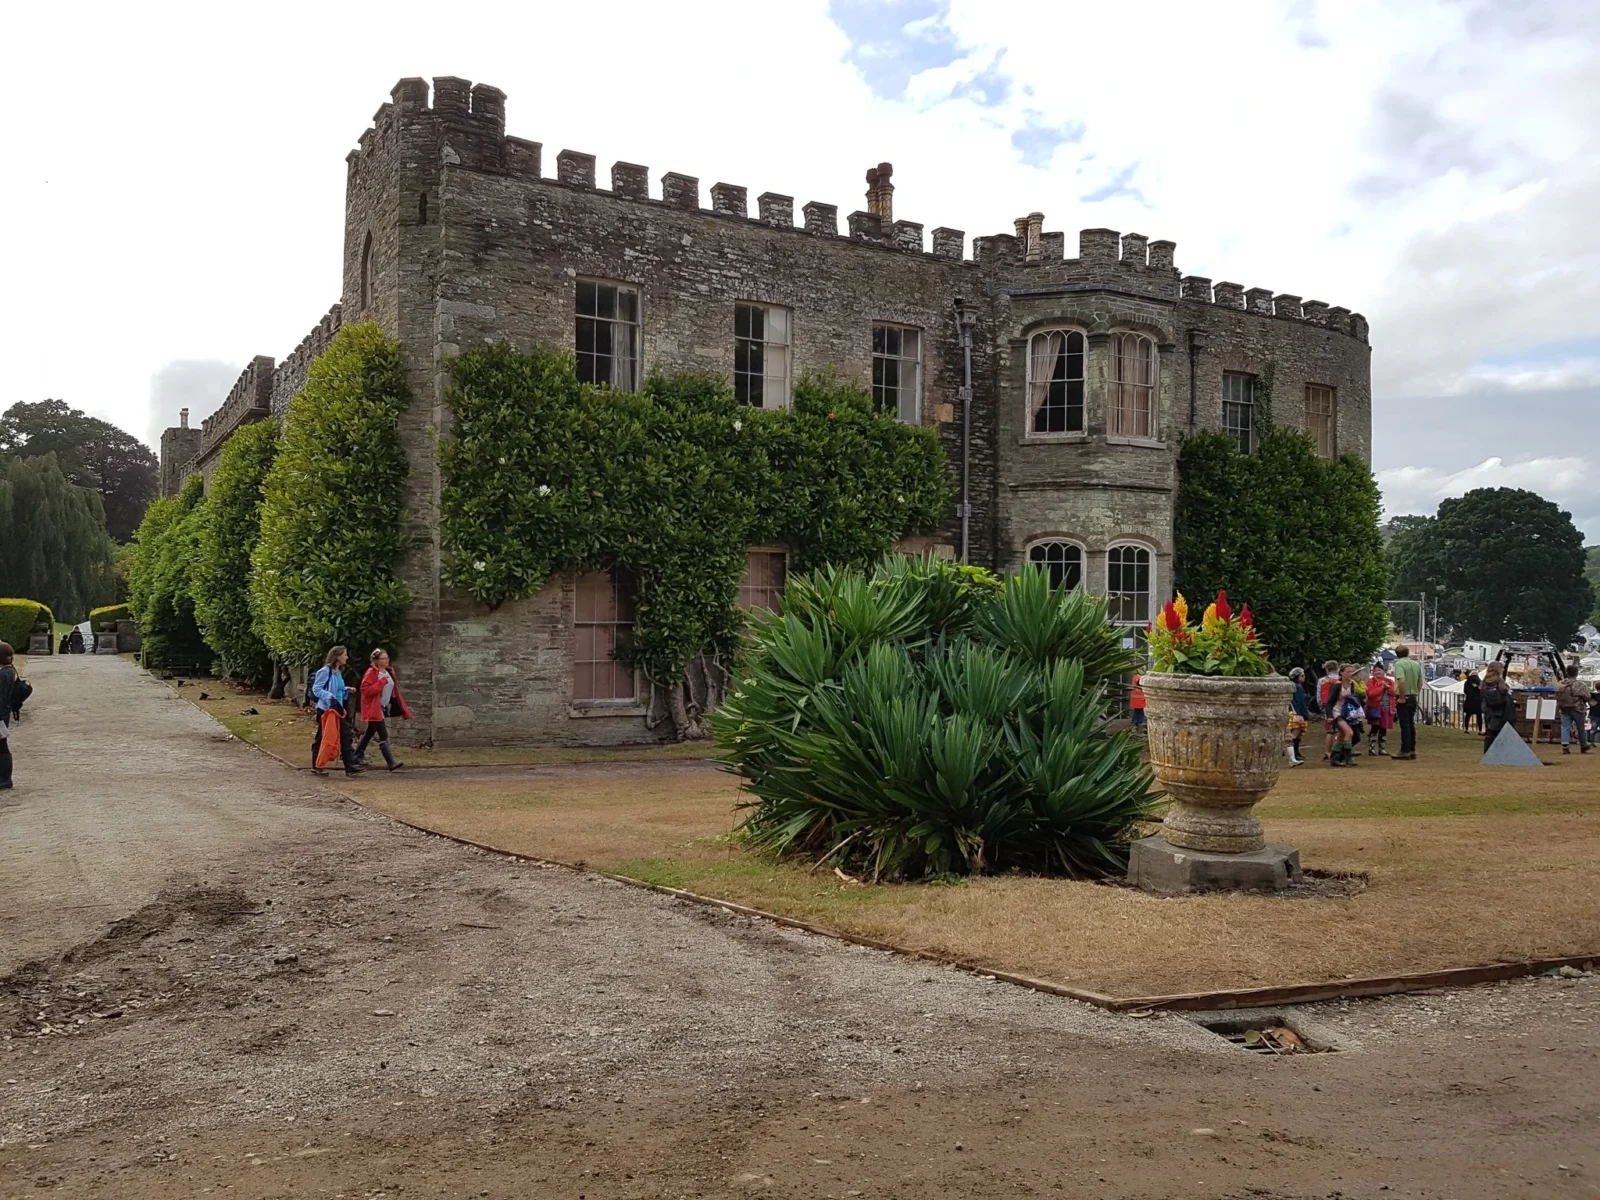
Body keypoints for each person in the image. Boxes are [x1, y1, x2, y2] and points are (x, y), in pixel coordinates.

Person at [355, 648, 411, 771]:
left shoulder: (390, 671)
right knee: (383, 734)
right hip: (375, 708)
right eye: (383, 658)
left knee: (370, 732)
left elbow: (393, 688)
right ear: (376, 660)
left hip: (384, 706)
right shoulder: (371, 673)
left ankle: (357, 755)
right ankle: (390, 762)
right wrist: (381, 683)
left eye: (387, 658)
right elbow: (366, 690)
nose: (386, 661)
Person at [310, 646, 362, 777]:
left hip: (337, 709)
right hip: (326, 710)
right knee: (323, 737)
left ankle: (349, 766)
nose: (346, 657)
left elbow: (337, 687)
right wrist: (328, 696)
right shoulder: (325, 671)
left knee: (345, 735)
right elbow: (316, 689)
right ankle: (317, 765)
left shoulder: (338, 672)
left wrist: (346, 689)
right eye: (344, 654)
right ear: (337, 656)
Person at [0, 642, 24, 790]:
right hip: (4, 713)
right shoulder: (11, 671)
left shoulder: (3, 674)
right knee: (2, 746)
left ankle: (4, 779)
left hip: (0, 714)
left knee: (2, 747)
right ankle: (4, 778)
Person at [1392, 645, 1423, 761]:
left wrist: (1401, 696)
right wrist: (1415, 693)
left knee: (1404, 724)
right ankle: (1412, 749)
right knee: (1411, 723)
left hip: (1403, 697)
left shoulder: (1399, 664)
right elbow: (1420, 682)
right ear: (1408, 652)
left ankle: (1405, 750)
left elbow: (1401, 680)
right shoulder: (1416, 664)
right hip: (1413, 696)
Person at [1480, 661, 1516, 754]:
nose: (1503, 669)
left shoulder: (1485, 680)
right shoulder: (1499, 680)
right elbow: (1504, 691)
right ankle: (1502, 753)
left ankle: (1488, 752)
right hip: (1502, 711)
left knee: (1491, 732)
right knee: (1503, 732)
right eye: (1502, 667)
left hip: (1490, 710)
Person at [1555, 664, 1591, 756]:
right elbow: (1587, 696)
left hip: (1564, 708)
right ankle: (1583, 745)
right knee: (1580, 727)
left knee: (1565, 727)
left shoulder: (1561, 683)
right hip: (1577, 708)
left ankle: (1565, 746)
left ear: (1566, 672)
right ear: (1577, 673)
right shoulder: (1580, 684)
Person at [1364, 663, 1396, 756]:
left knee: (1384, 728)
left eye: (1379, 670)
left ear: (1384, 671)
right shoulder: (1371, 681)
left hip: (1386, 708)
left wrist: (1388, 688)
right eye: (1375, 670)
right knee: (1375, 727)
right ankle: (1371, 748)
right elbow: (1370, 694)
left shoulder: (1389, 681)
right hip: (1375, 707)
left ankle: (1382, 748)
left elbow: (1394, 694)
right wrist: (1381, 687)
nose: (1378, 672)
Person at [1317, 659, 1342, 762]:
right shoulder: (1340, 679)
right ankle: (1339, 750)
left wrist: (1322, 707)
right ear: (1337, 668)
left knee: (1330, 731)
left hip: (1327, 706)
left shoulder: (1322, 681)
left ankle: (1328, 752)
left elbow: (1318, 695)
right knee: (1342, 729)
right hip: (1339, 705)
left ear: (1327, 669)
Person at [1286, 667, 1310, 766]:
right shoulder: (1298, 687)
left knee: (1295, 735)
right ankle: (1292, 757)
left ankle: (1294, 755)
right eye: (1302, 675)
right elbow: (1300, 702)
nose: (1304, 677)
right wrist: (1305, 714)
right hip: (1296, 714)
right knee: (1292, 735)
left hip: (1291, 712)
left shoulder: (1290, 686)